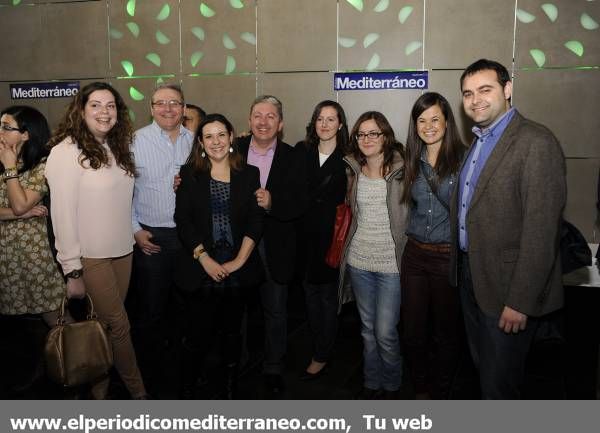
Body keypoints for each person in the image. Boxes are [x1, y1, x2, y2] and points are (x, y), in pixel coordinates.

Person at [450, 59, 566, 399]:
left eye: (485, 90)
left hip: (507, 291)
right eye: (468, 93)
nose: (475, 100)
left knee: (500, 386)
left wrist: (520, 301)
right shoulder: (479, 142)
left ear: (508, 89)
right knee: (485, 373)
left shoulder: (536, 142)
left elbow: (541, 230)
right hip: (473, 279)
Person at [45, 82, 147, 399]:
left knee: (103, 326)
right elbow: (61, 215)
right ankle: (139, 393)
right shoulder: (65, 152)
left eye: (111, 105)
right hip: (91, 257)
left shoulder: (117, 147)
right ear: (81, 110)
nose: (105, 112)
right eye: (96, 105)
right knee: (119, 326)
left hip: (123, 252)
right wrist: (72, 270)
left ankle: (98, 391)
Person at [174, 113, 264, 399]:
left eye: (221, 135)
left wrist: (239, 261)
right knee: (197, 335)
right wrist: (205, 259)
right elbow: (183, 221)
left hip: (238, 269)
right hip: (201, 267)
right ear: (200, 142)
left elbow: (255, 221)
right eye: (209, 136)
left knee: (232, 333)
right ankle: (189, 385)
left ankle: (229, 388)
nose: (216, 141)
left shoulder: (249, 174)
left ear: (231, 137)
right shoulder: (188, 174)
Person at [236, 95, 307, 396]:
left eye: (270, 116)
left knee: (275, 310)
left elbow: (301, 202)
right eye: (257, 116)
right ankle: (235, 362)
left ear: (280, 124)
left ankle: (273, 367)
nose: (263, 122)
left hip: (275, 246)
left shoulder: (295, 157)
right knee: (236, 308)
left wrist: (273, 202)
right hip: (236, 245)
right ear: (249, 120)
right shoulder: (233, 150)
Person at [338, 111, 408, 399]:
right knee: (367, 330)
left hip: (391, 264)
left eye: (373, 133)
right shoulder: (352, 169)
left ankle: (392, 385)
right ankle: (371, 381)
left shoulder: (404, 170)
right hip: (359, 261)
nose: (366, 139)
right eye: (361, 134)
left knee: (385, 333)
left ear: (385, 136)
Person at [400, 92, 466, 399]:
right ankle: (421, 387)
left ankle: (441, 390)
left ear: (447, 121)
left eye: (435, 119)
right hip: (414, 255)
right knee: (412, 330)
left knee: (446, 333)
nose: (428, 126)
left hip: (446, 257)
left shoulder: (465, 160)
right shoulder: (411, 161)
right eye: (421, 120)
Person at [130, 83, 194, 394]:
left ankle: (181, 370)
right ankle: (149, 372)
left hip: (187, 239)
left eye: (174, 103)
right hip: (150, 237)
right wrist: (134, 229)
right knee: (151, 310)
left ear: (184, 108)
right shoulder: (134, 141)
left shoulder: (196, 142)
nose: (168, 109)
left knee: (185, 308)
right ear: (151, 107)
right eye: (161, 103)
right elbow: (123, 190)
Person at [0, 106, 65, 391]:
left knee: (56, 317)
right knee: (19, 325)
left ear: (25, 134)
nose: (0, 132)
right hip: (7, 257)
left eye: (6, 127)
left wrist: (10, 167)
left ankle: (81, 366)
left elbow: (20, 203)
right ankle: (33, 377)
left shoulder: (44, 164)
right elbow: (20, 207)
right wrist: (20, 212)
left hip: (38, 256)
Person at [297, 100, 349, 380]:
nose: (325, 124)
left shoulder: (350, 158)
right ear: (314, 123)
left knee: (328, 298)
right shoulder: (301, 153)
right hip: (304, 236)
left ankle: (323, 353)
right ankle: (318, 344)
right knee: (309, 294)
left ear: (340, 124)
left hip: (334, 237)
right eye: (320, 119)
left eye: (331, 119)